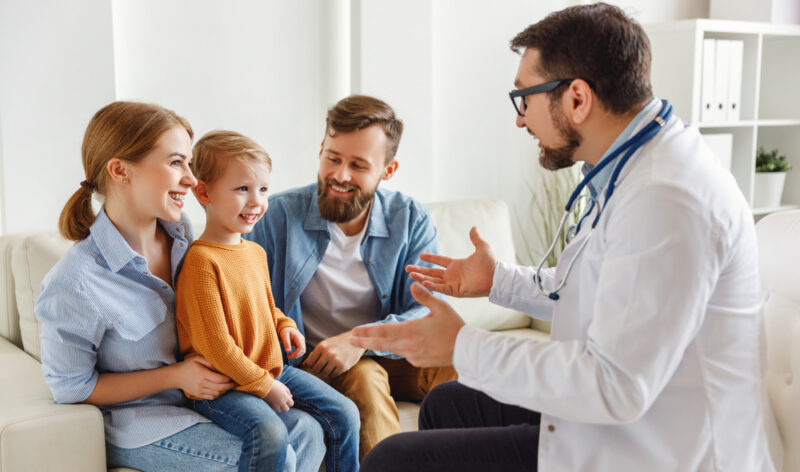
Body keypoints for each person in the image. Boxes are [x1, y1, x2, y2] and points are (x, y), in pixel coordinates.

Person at [349, 4, 779, 471]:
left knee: (392, 461)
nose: (520, 120)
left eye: (524, 99)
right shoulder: (632, 166)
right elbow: (601, 293)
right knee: (448, 402)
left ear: (576, 98)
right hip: (632, 414)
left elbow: (616, 388)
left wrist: (463, 345)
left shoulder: (667, 199)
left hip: (659, 446)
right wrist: (497, 280)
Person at [36, 101, 325, 471]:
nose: (191, 178)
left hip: (210, 399)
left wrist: (280, 324)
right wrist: (174, 375)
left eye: (188, 163)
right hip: (146, 422)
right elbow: (71, 388)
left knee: (308, 429)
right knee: (279, 454)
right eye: (176, 163)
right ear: (121, 171)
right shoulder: (76, 280)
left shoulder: (183, 234)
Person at [244, 94, 457, 459]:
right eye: (333, 158)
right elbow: (239, 294)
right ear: (321, 149)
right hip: (315, 362)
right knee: (366, 377)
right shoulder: (275, 216)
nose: (340, 175)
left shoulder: (410, 218)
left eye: (358, 165)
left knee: (474, 364)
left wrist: (359, 341)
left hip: (388, 353)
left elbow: (427, 310)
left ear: (387, 170)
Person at [175, 130, 360, 472]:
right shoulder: (202, 261)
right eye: (242, 189)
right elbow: (216, 346)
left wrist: (284, 324)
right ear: (203, 191)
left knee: (345, 412)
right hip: (223, 385)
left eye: (263, 190)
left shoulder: (254, 252)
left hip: (270, 368)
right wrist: (264, 386)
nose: (256, 201)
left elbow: (263, 305)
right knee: (270, 432)